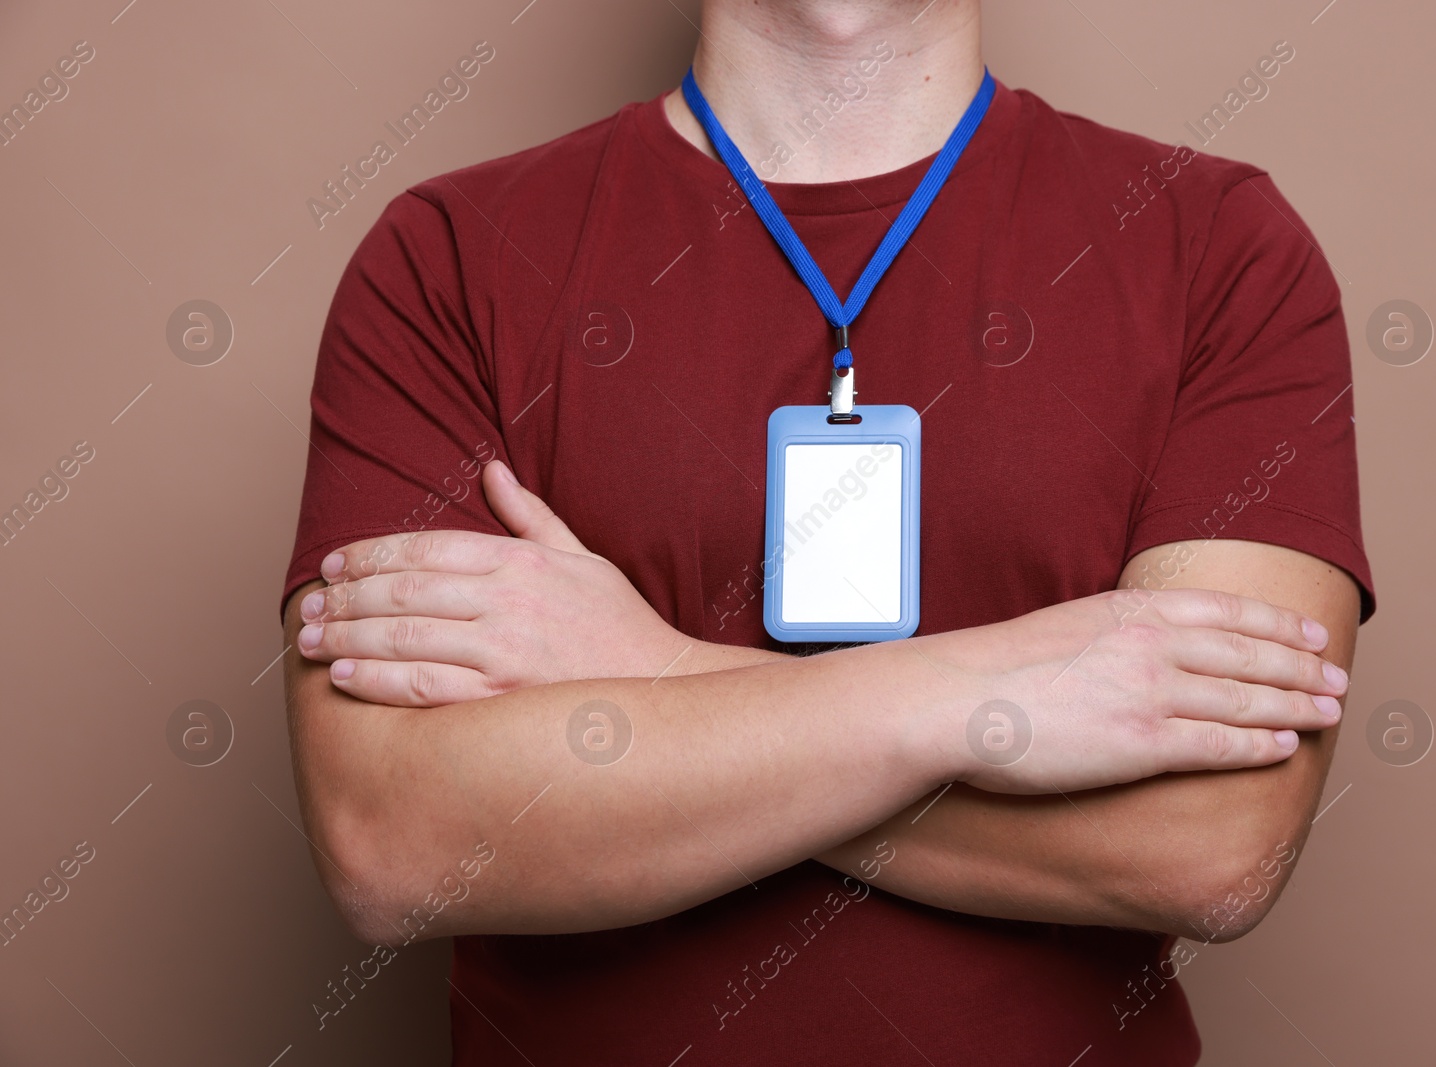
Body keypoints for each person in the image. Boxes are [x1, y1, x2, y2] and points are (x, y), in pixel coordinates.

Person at [280, 1, 1374, 1063]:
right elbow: (394, 844)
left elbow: (1210, 849)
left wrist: (653, 672)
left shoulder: (1222, 250)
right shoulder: (447, 260)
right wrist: (986, 694)